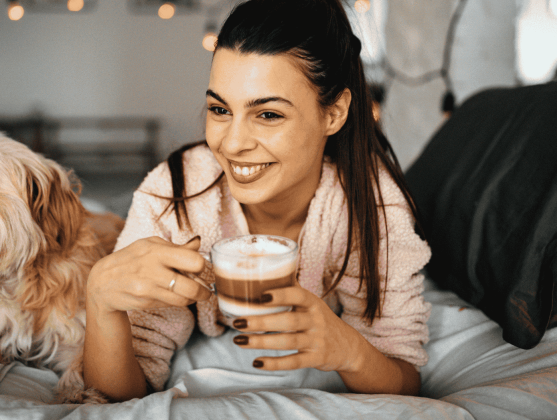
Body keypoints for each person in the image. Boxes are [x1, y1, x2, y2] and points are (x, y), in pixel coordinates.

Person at [83, 0, 432, 402]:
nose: (231, 144)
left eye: (267, 115)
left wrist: (349, 351)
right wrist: (101, 299)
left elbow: (404, 377)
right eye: (219, 109)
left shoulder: (371, 206)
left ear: (333, 114)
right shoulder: (176, 193)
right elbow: (118, 396)